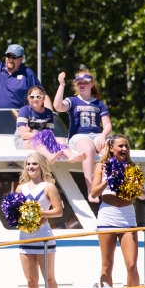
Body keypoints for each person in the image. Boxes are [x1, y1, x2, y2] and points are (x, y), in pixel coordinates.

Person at [88, 134, 142, 288]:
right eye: (121, 146)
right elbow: (94, 193)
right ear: (111, 148)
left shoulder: (132, 167)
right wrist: (108, 179)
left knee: (132, 265)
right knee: (107, 265)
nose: (124, 149)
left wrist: (137, 188)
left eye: (126, 146)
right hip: (108, 216)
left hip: (127, 216)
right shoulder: (102, 166)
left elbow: (143, 196)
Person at [53, 69, 111, 199]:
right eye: (79, 83)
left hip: (97, 136)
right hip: (79, 137)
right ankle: (91, 190)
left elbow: (107, 126)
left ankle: (111, 185)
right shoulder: (72, 101)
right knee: (89, 149)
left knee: (110, 150)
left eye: (85, 82)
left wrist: (102, 136)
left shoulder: (99, 103)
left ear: (91, 84)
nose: (82, 85)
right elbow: (57, 107)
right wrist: (61, 86)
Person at [16, 151, 63, 288]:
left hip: (44, 236)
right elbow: (15, 212)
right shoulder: (20, 188)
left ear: (41, 165)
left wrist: (38, 213)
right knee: (30, 280)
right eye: (28, 164)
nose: (31, 167)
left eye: (34, 163)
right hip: (25, 237)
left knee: (49, 279)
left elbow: (58, 211)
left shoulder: (48, 186)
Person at [16, 86, 75, 162]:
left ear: (43, 99)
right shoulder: (24, 110)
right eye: (32, 97)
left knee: (61, 140)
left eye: (38, 97)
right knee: (37, 142)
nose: (35, 99)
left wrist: (40, 135)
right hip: (23, 141)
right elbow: (23, 134)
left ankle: (71, 156)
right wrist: (41, 135)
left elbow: (50, 133)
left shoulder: (48, 113)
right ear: (28, 98)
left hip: (42, 138)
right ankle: (50, 157)